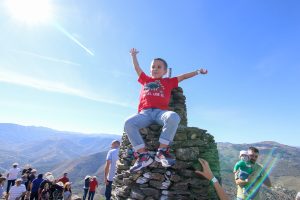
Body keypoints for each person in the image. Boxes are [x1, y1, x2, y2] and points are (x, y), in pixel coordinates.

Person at [124, 48, 208, 172]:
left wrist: (198, 71)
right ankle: (143, 155)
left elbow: (184, 76)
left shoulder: (168, 82)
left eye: (159, 67)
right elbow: (137, 68)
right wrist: (133, 56)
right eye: (153, 67)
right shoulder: (146, 80)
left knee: (173, 117)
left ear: (164, 71)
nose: (155, 69)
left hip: (160, 113)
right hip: (144, 113)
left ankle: (162, 151)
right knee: (128, 123)